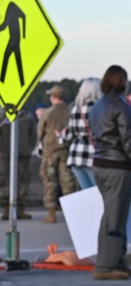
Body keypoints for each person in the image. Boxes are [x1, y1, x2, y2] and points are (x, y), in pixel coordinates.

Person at [88, 65, 131, 280]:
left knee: (113, 214)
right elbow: (130, 142)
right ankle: (106, 266)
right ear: (122, 82)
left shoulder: (96, 107)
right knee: (115, 217)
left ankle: (118, 260)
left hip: (100, 164)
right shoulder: (123, 108)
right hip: (117, 166)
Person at [37, 84, 76, 223]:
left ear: (53, 97)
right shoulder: (70, 111)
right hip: (66, 149)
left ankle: (51, 213)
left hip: (50, 150)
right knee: (67, 181)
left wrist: (41, 142)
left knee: (50, 180)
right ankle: (71, 213)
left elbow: (40, 132)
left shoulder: (47, 112)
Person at [0, 108, 36, 220]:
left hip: (23, 154)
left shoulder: (28, 117)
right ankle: (6, 208)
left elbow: (33, 135)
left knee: (23, 181)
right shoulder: (2, 117)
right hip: (5, 155)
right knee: (5, 181)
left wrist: (29, 149)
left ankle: (20, 208)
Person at [64, 77, 101, 189]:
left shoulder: (76, 109)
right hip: (93, 155)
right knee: (100, 192)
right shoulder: (99, 108)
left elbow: (69, 135)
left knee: (87, 192)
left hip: (76, 155)